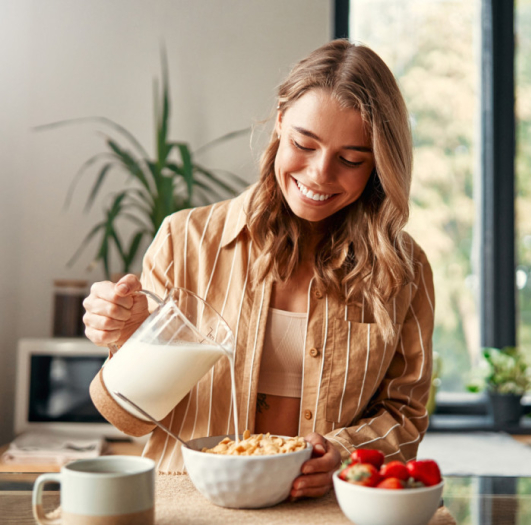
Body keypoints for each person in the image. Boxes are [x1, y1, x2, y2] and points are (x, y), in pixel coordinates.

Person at [84, 39, 434, 499]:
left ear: (379, 166)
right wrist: (130, 341)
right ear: (281, 120)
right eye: (303, 144)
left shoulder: (403, 270)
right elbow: (127, 417)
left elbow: (405, 414)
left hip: (322, 521)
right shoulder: (184, 240)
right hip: (188, 510)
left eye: (351, 160)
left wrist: (342, 452)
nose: (319, 175)